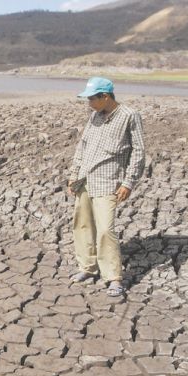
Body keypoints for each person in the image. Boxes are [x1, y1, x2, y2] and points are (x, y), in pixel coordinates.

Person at [68, 77, 146, 297]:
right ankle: (87, 267)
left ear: (105, 96)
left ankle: (113, 278)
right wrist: (73, 175)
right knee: (82, 225)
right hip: (84, 180)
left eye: (92, 98)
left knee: (105, 230)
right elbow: (82, 147)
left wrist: (128, 182)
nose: (89, 103)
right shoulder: (94, 116)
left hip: (108, 181)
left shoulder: (129, 116)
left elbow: (139, 152)